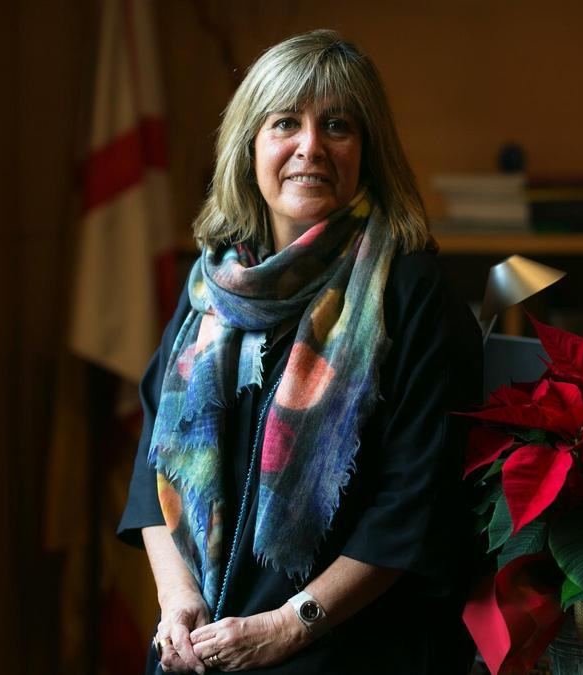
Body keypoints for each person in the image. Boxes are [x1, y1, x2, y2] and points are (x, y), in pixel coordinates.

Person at [117, 29, 482, 674]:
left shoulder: (410, 289)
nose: (309, 147)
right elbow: (157, 459)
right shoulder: (212, 283)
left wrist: (291, 625)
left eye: (337, 125)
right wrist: (175, 599)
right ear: (249, 146)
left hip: (348, 645)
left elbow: (415, 502)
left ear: (368, 151)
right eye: (286, 122)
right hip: (200, 646)